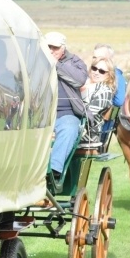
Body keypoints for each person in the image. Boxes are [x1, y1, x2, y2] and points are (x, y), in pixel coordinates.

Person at [45, 31, 87, 180]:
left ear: (63, 48)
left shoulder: (75, 62)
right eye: (48, 46)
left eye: (54, 48)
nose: (50, 50)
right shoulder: (36, 62)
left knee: (69, 128)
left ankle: (53, 170)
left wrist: (55, 64)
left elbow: (79, 80)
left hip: (66, 113)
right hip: (41, 114)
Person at [80, 57, 116, 148]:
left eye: (102, 71)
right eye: (94, 68)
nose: (96, 72)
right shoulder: (82, 82)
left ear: (109, 75)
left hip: (86, 134)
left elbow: (88, 113)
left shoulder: (105, 92)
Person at [93, 43, 126, 107]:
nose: (96, 60)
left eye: (101, 58)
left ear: (110, 59)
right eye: (94, 57)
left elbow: (119, 101)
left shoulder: (117, 76)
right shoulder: (91, 72)